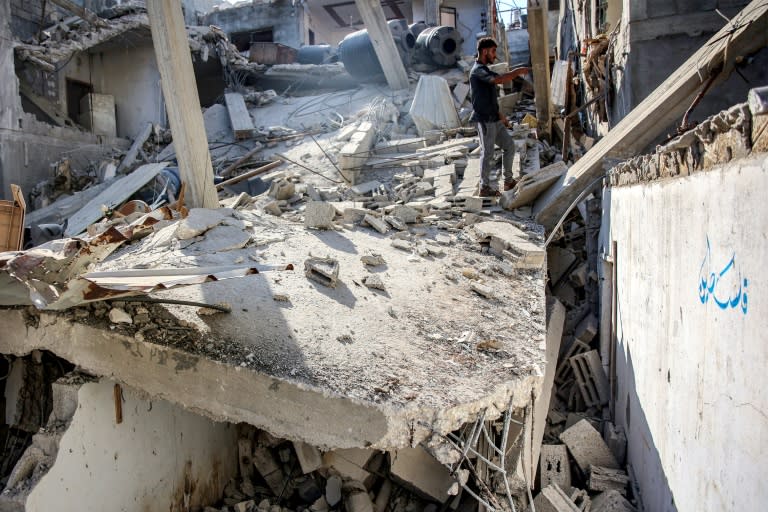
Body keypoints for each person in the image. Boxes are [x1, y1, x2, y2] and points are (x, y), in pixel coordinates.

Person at [469, 37, 530, 197]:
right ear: (484, 51)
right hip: (484, 120)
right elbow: (499, 80)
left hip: (494, 118)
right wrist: (517, 72)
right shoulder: (478, 71)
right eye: (493, 51)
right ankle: (484, 187)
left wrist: (501, 116)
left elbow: (489, 97)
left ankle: (508, 181)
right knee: (488, 152)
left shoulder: (485, 69)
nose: (495, 55)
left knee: (509, 146)